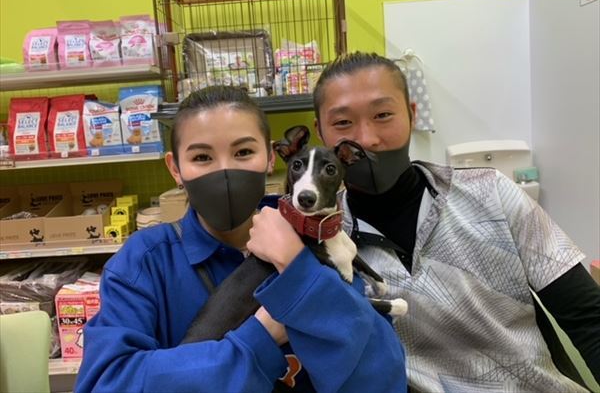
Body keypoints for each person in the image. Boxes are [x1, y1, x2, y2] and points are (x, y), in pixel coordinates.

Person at [75, 85, 407, 393]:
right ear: (175, 168)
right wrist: (259, 337)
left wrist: (298, 270)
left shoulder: (320, 243)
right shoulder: (145, 262)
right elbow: (105, 383)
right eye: (202, 157)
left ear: (270, 158)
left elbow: (382, 380)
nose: (225, 172)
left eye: (244, 151)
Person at [309, 51, 600, 392]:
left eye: (383, 115)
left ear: (412, 115)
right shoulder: (321, 243)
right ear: (320, 133)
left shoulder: (491, 193)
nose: (367, 139)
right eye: (343, 123)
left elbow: (587, 317)